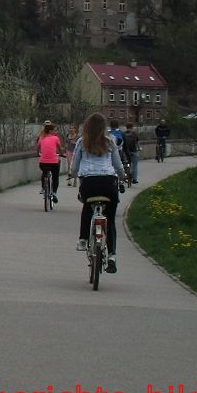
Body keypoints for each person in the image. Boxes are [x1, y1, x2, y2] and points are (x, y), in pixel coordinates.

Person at [71, 113, 127, 273]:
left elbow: (74, 167)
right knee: (109, 219)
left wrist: (72, 175)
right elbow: (117, 164)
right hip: (109, 184)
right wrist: (122, 177)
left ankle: (82, 239)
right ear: (104, 127)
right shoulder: (110, 142)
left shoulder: (82, 142)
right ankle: (112, 256)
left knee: (87, 206)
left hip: (89, 183)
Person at [36, 120, 65, 203]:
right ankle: (54, 193)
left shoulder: (41, 138)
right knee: (55, 177)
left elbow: (38, 148)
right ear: (50, 131)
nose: (54, 131)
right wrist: (62, 154)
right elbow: (59, 148)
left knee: (44, 172)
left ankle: (44, 188)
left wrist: (38, 153)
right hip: (54, 163)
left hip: (42, 162)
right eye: (53, 130)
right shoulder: (55, 138)